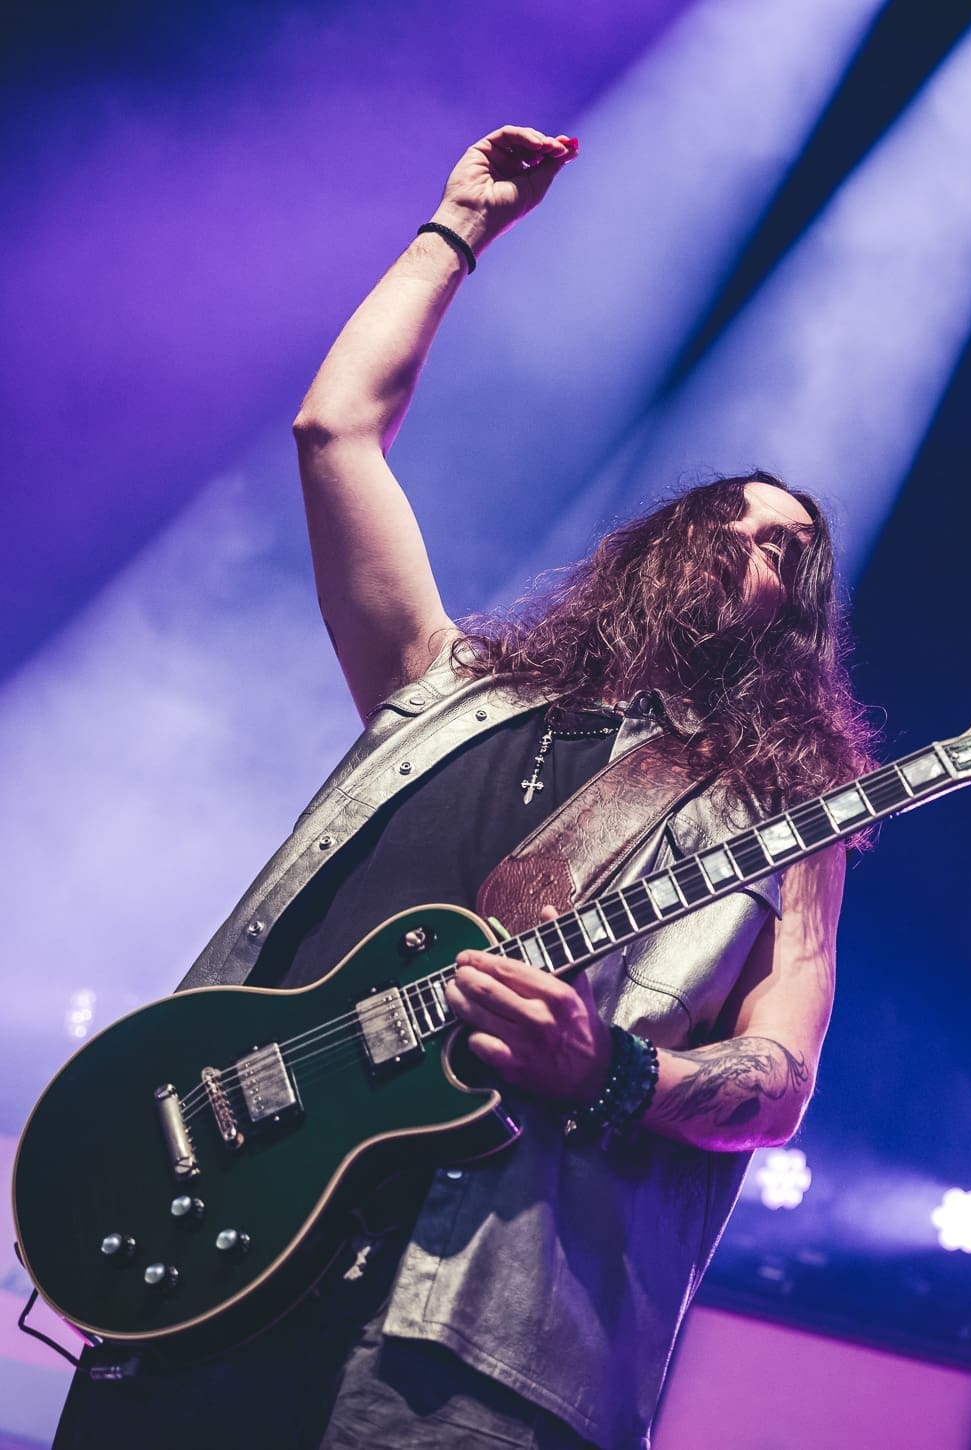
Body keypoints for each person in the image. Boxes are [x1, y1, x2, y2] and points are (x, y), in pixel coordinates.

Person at [53, 126, 875, 1450]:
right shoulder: (445, 683)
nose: (742, 543)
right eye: (721, 515)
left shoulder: (786, 815)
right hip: (217, 1257)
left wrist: (609, 1069)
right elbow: (335, 433)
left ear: (794, 617)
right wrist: (461, 228)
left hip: (466, 1355)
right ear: (651, 545)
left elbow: (778, 1080)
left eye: (783, 546)